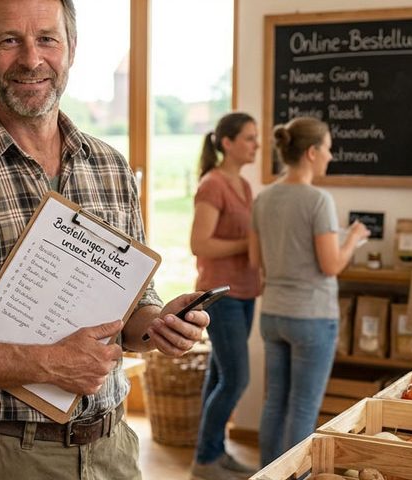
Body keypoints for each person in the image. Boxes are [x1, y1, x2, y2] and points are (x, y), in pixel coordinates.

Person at [0, 0, 209, 478]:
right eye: (10, 40)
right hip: (5, 456)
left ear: (71, 48)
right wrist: (47, 364)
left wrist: (158, 325)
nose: (31, 59)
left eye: (47, 39)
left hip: (114, 451)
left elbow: (133, 306)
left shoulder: (110, 168)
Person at [249, 117, 369, 465]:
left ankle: (268, 473)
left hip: (273, 314)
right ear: (313, 152)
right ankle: (296, 475)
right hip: (312, 317)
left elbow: (257, 260)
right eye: (328, 149)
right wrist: (353, 239)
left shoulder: (263, 198)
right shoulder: (318, 200)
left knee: (275, 402)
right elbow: (331, 265)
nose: (331, 156)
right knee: (302, 406)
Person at [189, 112, 260, 480]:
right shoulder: (213, 184)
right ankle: (205, 460)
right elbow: (199, 243)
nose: (257, 145)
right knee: (236, 379)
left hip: (246, 292)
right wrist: (246, 244)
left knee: (219, 376)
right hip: (222, 296)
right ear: (228, 143)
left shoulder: (244, 186)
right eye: (249, 138)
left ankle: (213, 452)